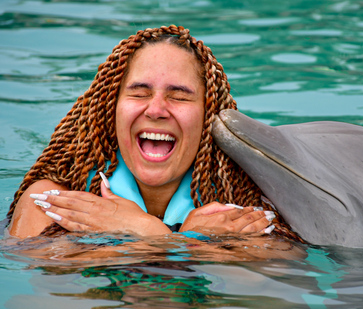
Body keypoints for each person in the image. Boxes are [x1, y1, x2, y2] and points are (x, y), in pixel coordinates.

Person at [6, 25, 300, 242]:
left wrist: (147, 233)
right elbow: (42, 301)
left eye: (180, 96)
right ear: (111, 109)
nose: (156, 109)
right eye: (139, 93)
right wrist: (187, 243)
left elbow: (273, 295)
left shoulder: (244, 206)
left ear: (208, 116)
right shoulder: (53, 202)